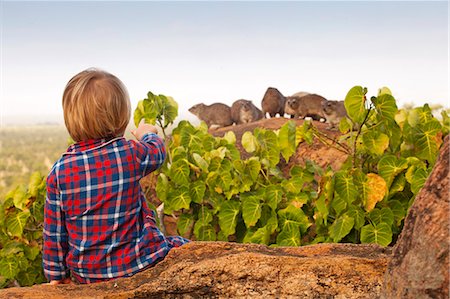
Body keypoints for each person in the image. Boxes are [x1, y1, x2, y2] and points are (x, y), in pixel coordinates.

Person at [43, 68, 189, 284]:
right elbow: (157, 151)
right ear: (121, 118)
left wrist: (57, 277)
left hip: (88, 276)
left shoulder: (60, 171)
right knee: (183, 246)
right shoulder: (130, 153)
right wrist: (146, 133)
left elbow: (54, 234)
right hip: (139, 262)